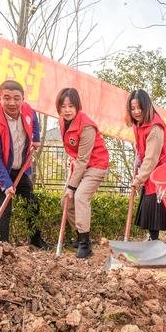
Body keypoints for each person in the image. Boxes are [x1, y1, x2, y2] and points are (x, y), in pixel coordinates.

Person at [0, 80, 48, 249]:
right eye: (7, 98)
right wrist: (6, 183)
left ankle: (35, 241)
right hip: (0, 172)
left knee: (31, 203)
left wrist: (36, 139)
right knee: (4, 208)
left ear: (23, 99)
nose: (12, 102)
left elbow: (34, 120)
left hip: (20, 167)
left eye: (17, 98)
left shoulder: (27, 110)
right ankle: (1, 245)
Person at [56, 87, 109, 258]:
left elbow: (84, 158)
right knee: (66, 202)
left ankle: (85, 245)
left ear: (77, 106)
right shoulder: (63, 121)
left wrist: (71, 186)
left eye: (71, 106)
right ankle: (80, 236)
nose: (67, 110)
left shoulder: (87, 126)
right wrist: (71, 158)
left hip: (95, 165)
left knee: (79, 197)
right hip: (80, 164)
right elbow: (75, 152)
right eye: (63, 106)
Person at [127, 89, 166, 241]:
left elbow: (152, 158)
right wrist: (137, 159)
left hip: (161, 169)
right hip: (150, 169)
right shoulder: (139, 125)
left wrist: (138, 179)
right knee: (148, 203)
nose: (136, 111)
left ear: (147, 106)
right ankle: (152, 239)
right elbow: (141, 148)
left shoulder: (155, 127)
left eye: (139, 107)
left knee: (154, 203)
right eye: (132, 108)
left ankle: (154, 241)